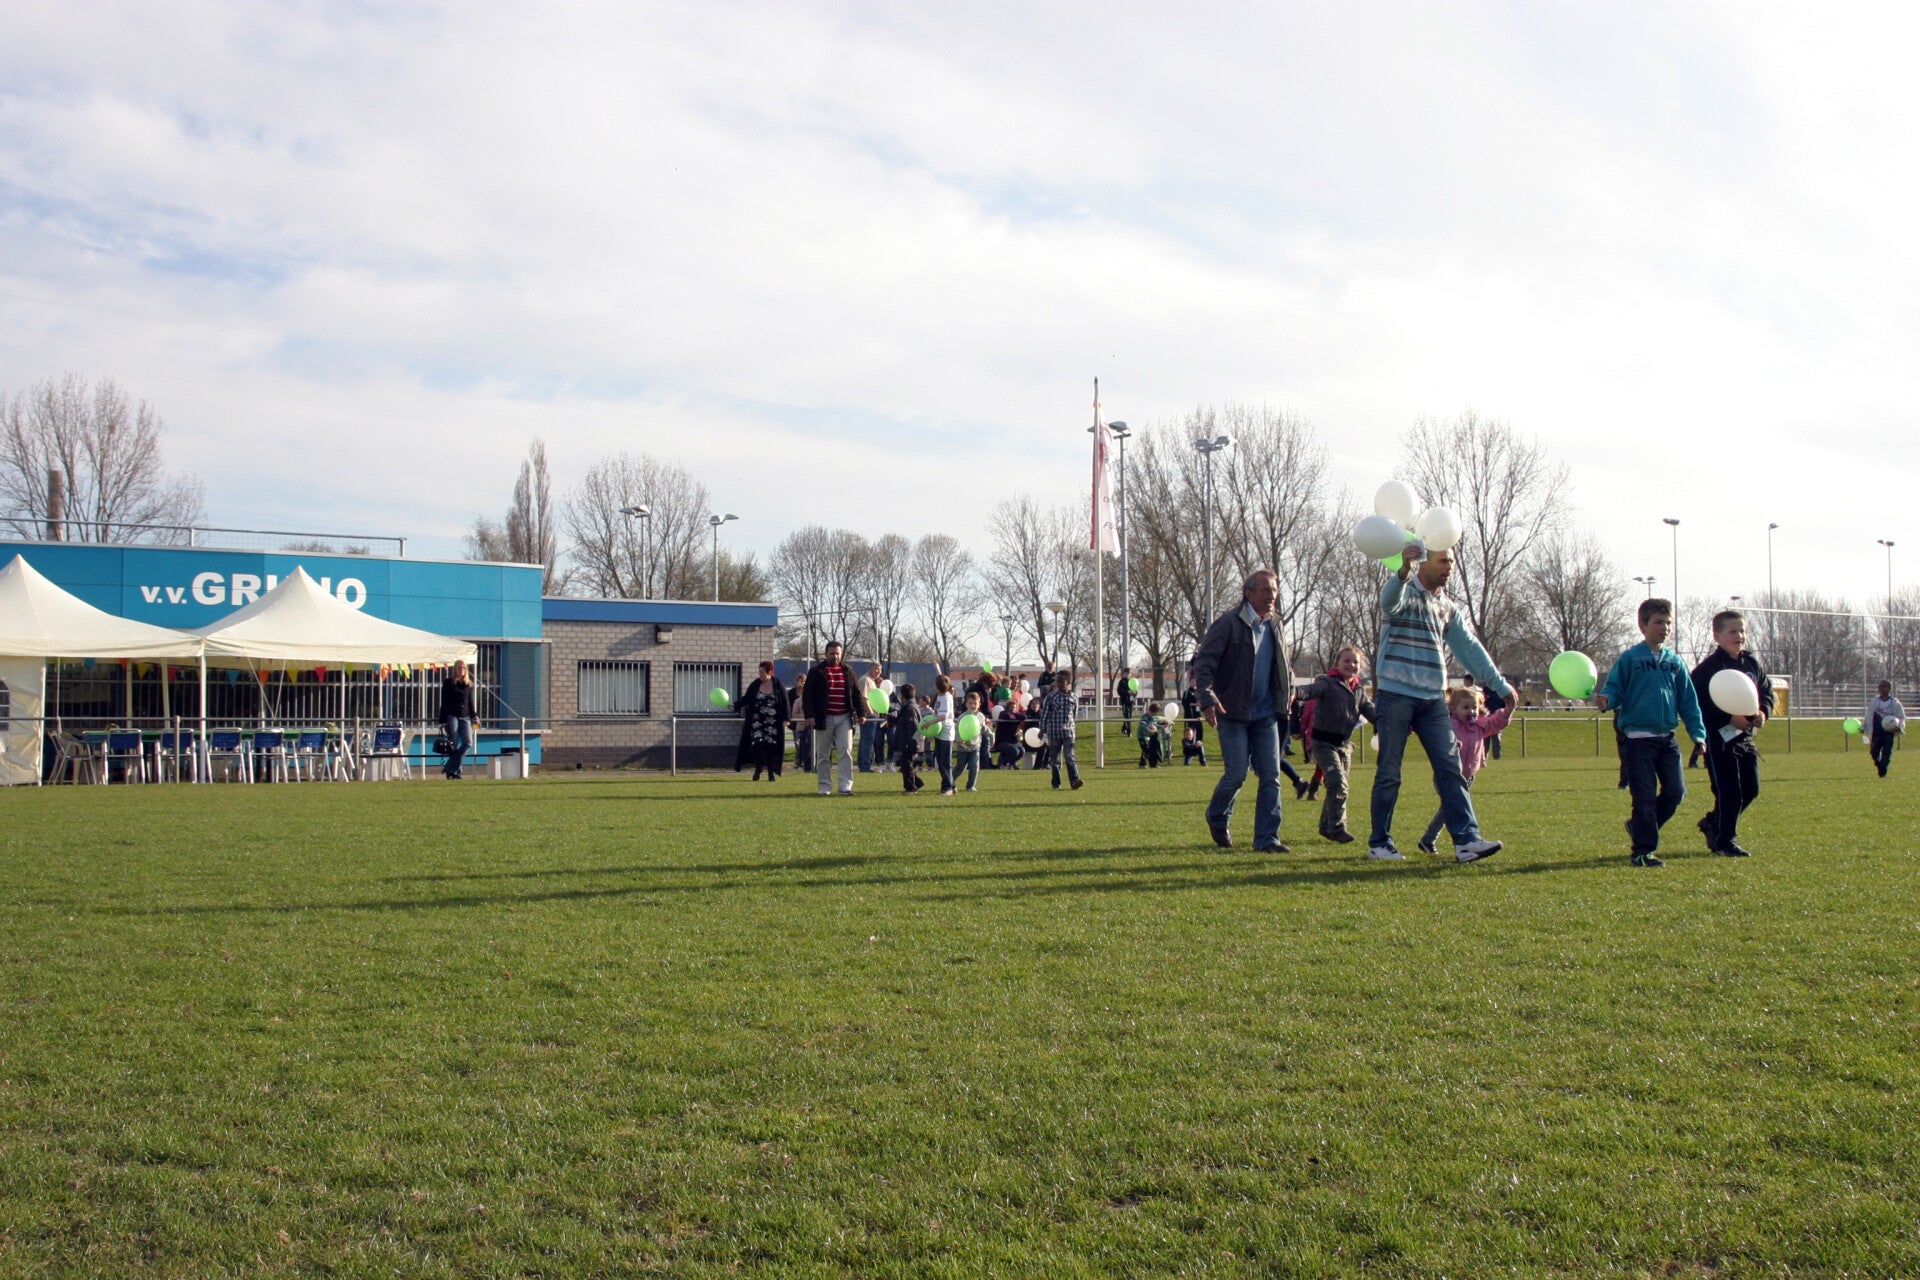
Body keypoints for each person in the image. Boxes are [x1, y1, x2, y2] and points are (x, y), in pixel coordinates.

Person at [1368, 543, 1510, 864]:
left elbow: (1470, 649)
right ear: (1423, 562)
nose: (1449, 567)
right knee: (1389, 772)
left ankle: (1467, 842)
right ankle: (1380, 843)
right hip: (1396, 694)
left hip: (1433, 698)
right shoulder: (1403, 591)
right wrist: (1402, 572)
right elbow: (1388, 603)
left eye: (1452, 561)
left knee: (1451, 769)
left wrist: (1501, 686)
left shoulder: (1446, 606)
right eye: (1443, 560)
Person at [1595, 597, 1707, 868]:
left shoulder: (1675, 662)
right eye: (1658, 622)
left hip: (1667, 741)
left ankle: (1639, 827)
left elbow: (1688, 701)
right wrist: (1607, 700)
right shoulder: (1630, 659)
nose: (1664, 628)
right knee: (1644, 798)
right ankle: (1643, 852)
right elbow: (1614, 689)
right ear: (1642, 625)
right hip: (1637, 743)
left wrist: (1698, 734)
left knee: (1675, 793)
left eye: (1668, 623)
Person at [1192, 569, 1294, 852]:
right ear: (1248, 593)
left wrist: (1289, 689)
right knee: (1236, 775)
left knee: (1271, 776)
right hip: (1232, 712)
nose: (1271, 595)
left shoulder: (1276, 624)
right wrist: (1207, 699)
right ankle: (1217, 815)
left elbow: (1282, 665)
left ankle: (1267, 839)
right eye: (1265, 590)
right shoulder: (1227, 623)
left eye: (1274, 590)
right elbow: (1204, 664)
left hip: (1266, 714)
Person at [1689, 609, 1773, 857]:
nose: (1739, 636)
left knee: (1750, 789)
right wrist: (1728, 718)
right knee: (1728, 791)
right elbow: (1698, 703)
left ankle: (1713, 822)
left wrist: (1763, 712)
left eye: (1742, 631)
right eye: (1733, 631)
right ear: (1717, 636)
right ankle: (1725, 842)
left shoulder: (1751, 664)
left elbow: (1766, 693)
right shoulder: (1708, 669)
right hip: (1718, 740)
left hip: (1744, 738)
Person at [1417, 686, 1513, 855]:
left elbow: (1496, 723)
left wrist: (1508, 710)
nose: (1471, 711)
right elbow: (1437, 737)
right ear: (1453, 708)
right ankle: (1463, 842)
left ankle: (1428, 840)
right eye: (1466, 707)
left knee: (1448, 808)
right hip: (1447, 775)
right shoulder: (1449, 725)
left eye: (1474, 707)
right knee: (1455, 807)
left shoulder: (1479, 725)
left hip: (1468, 776)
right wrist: (1452, 744)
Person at [1299, 645, 1376, 844]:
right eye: (1346, 661)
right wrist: (1296, 692)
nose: (1351, 665)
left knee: (1339, 786)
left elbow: (1372, 712)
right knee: (1337, 783)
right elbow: (1310, 690)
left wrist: (1392, 724)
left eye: (1355, 662)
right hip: (1323, 744)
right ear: (1337, 664)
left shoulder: (1359, 690)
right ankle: (1336, 827)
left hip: (1344, 745)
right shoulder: (1327, 683)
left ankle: (1326, 826)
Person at [797, 641, 867, 796]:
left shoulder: (848, 670)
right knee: (823, 754)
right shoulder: (816, 671)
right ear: (826, 654)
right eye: (832, 653)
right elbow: (808, 695)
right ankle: (824, 787)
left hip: (844, 718)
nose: (835, 656)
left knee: (845, 751)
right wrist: (810, 715)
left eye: (837, 653)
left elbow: (856, 693)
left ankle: (845, 787)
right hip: (824, 718)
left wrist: (861, 713)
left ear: (841, 654)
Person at [733, 661, 789, 781]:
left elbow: (785, 702)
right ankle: (758, 769)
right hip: (757, 721)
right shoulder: (755, 684)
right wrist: (735, 704)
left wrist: (786, 719)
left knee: (771, 746)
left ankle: (771, 772)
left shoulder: (778, 685)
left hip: (772, 722)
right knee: (758, 744)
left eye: (762, 672)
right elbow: (747, 698)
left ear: (770, 672)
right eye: (759, 672)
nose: (760, 674)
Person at [1039, 670, 1083, 789]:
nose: (1058, 684)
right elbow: (1045, 715)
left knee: (1070, 757)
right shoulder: (1051, 697)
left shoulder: (1074, 697)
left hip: (1068, 732)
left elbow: (1074, 715)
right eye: (1057, 681)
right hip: (1054, 732)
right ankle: (1056, 782)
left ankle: (1075, 781)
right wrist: (1042, 729)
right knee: (1055, 760)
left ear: (1068, 682)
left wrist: (1073, 727)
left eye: (1061, 681)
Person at [437, 658, 477, 780]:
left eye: (464, 667)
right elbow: (444, 701)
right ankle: (456, 773)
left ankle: (450, 768)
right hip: (452, 715)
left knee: (468, 742)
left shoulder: (468, 684)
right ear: (455, 669)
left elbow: (470, 702)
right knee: (453, 744)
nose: (461, 670)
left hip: (465, 716)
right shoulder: (449, 683)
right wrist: (442, 720)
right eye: (459, 667)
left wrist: (474, 716)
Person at [889, 682, 923, 792]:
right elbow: (900, 721)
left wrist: (914, 744)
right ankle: (917, 783)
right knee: (905, 765)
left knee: (907, 765)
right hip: (906, 741)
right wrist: (889, 717)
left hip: (909, 742)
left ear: (902, 695)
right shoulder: (907, 707)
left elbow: (913, 726)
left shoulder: (910, 708)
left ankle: (911, 788)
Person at [1867, 680, 1905, 778]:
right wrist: (1864, 727)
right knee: (1874, 751)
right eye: (1880, 687)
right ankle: (1880, 765)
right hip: (1877, 730)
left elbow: (1901, 717)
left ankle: (1883, 771)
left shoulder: (1895, 703)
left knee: (1886, 752)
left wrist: (1900, 727)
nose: (1881, 689)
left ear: (1889, 689)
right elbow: (1869, 716)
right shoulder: (1874, 702)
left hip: (1889, 731)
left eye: (1884, 686)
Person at [954, 690, 988, 791]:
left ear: (979, 704)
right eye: (970, 703)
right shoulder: (962, 717)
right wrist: (959, 739)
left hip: (975, 746)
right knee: (960, 768)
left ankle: (970, 786)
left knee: (974, 766)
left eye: (975, 703)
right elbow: (956, 729)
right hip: (962, 747)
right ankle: (950, 782)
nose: (972, 705)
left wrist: (991, 736)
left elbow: (984, 728)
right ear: (966, 704)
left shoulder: (981, 716)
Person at [931, 674, 959, 795]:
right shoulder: (940, 695)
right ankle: (952, 786)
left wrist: (929, 723)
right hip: (939, 731)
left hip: (946, 733)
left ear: (937, 687)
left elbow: (943, 716)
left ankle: (948, 788)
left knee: (945, 762)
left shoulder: (946, 698)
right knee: (940, 761)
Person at [857, 663, 885, 773]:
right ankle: (865, 765)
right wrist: (871, 712)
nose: (878, 672)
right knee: (867, 740)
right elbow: (864, 698)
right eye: (876, 669)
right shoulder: (866, 680)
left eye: (880, 670)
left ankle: (863, 764)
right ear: (870, 669)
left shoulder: (871, 681)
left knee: (865, 740)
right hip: (868, 716)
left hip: (871, 715)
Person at [1179, 675, 1206, 766]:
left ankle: (1202, 758)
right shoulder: (1187, 692)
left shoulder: (1199, 692)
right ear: (1189, 682)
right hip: (1190, 718)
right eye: (1192, 681)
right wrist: (1195, 704)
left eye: (1195, 681)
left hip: (1198, 717)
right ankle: (1188, 757)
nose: (1194, 683)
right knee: (1189, 736)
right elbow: (1185, 703)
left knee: (1199, 735)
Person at [789, 674, 813, 773]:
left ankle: (807, 763)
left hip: (810, 725)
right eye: (801, 680)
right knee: (800, 743)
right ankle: (800, 760)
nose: (803, 683)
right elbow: (793, 712)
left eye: (804, 681)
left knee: (809, 745)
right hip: (798, 724)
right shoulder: (794, 696)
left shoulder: (811, 696)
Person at [1136, 701, 1163, 768]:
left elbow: (1155, 725)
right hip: (1142, 737)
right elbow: (1142, 725)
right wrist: (1150, 730)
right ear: (1155, 711)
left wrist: (1163, 726)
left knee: (1150, 750)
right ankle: (1142, 764)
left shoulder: (1151, 718)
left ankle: (1152, 764)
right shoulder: (1146, 717)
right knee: (1145, 750)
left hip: (1148, 737)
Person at [1115, 667, 1136, 737]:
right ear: (1124, 674)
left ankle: (1124, 728)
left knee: (1129, 716)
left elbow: (1136, 691)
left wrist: (1134, 692)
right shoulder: (1122, 681)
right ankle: (1129, 731)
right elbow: (1119, 691)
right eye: (1126, 674)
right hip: (1124, 701)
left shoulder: (1133, 681)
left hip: (1131, 701)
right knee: (1127, 716)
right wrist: (1127, 692)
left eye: (1129, 673)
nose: (1128, 675)